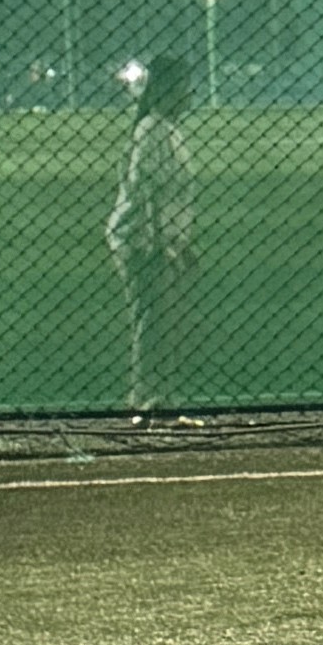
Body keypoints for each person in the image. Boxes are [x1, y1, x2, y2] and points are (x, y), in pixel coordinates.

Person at [107, 54, 200, 409]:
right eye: (184, 89)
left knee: (161, 317)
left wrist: (180, 241)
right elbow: (149, 198)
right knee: (152, 318)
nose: (190, 97)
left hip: (156, 239)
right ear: (168, 91)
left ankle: (155, 393)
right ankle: (146, 396)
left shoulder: (164, 129)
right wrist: (161, 246)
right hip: (142, 240)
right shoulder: (155, 132)